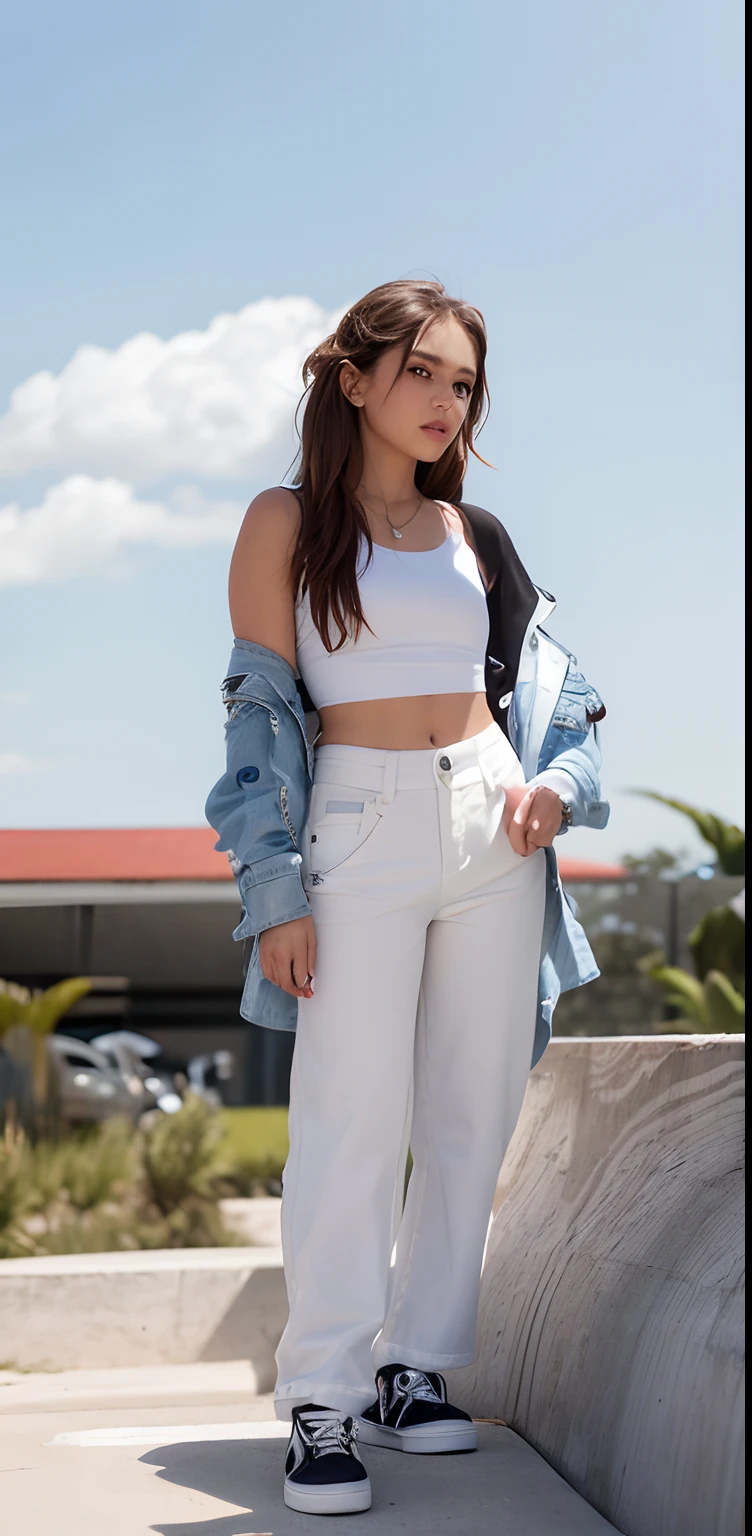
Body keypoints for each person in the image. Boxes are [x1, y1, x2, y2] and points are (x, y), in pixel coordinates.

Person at [205, 279, 609, 1516]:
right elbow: (256, 716)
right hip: (355, 824)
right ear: (354, 378)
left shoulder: (476, 537)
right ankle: (318, 1398)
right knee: (349, 1116)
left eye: (463, 381)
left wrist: (550, 782)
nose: (446, 400)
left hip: (489, 819)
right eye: (422, 371)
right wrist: (275, 886)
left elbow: (567, 694)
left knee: (468, 1111)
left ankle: (412, 1372)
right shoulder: (285, 521)